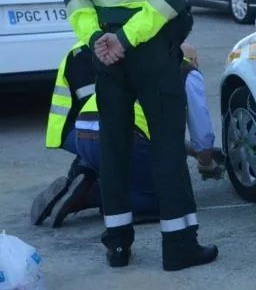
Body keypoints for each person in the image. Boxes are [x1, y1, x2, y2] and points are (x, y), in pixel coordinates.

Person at [61, 0, 218, 271]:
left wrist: (97, 37)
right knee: (167, 147)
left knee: (114, 149)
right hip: (150, 51)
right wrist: (127, 39)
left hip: (106, 54)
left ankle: (117, 245)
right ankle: (179, 246)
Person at [31, 43, 222, 228]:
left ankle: (85, 177)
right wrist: (206, 163)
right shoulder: (188, 72)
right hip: (124, 136)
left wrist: (193, 152)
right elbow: (202, 134)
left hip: (83, 131)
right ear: (194, 60)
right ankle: (92, 194)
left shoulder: (139, 61)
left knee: (124, 162)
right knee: (170, 201)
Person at [32, 42, 96, 226]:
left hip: (81, 129)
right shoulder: (84, 54)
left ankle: (77, 181)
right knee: (109, 147)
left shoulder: (88, 49)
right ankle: (84, 185)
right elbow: (95, 109)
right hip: (77, 131)